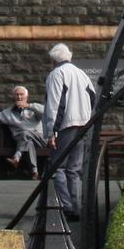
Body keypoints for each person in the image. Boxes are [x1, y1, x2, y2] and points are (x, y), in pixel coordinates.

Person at [41, 43, 96, 217]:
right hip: (84, 124)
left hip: (67, 125)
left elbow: (55, 105)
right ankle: (75, 205)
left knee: (58, 167)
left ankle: (66, 206)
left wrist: (51, 132)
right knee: (73, 169)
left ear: (53, 59)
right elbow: (93, 98)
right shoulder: (82, 74)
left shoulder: (56, 74)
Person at [0, 86, 45, 177]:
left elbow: (46, 111)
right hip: (24, 141)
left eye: (21, 94)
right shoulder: (8, 113)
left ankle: (16, 157)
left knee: (25, 133)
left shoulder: (33, 109)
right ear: (13, 97)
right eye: (17, 95)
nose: (19, 97)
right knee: (28, 143)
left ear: (26, 97)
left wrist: (28, 106)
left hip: (40, 138)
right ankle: (35, 172)